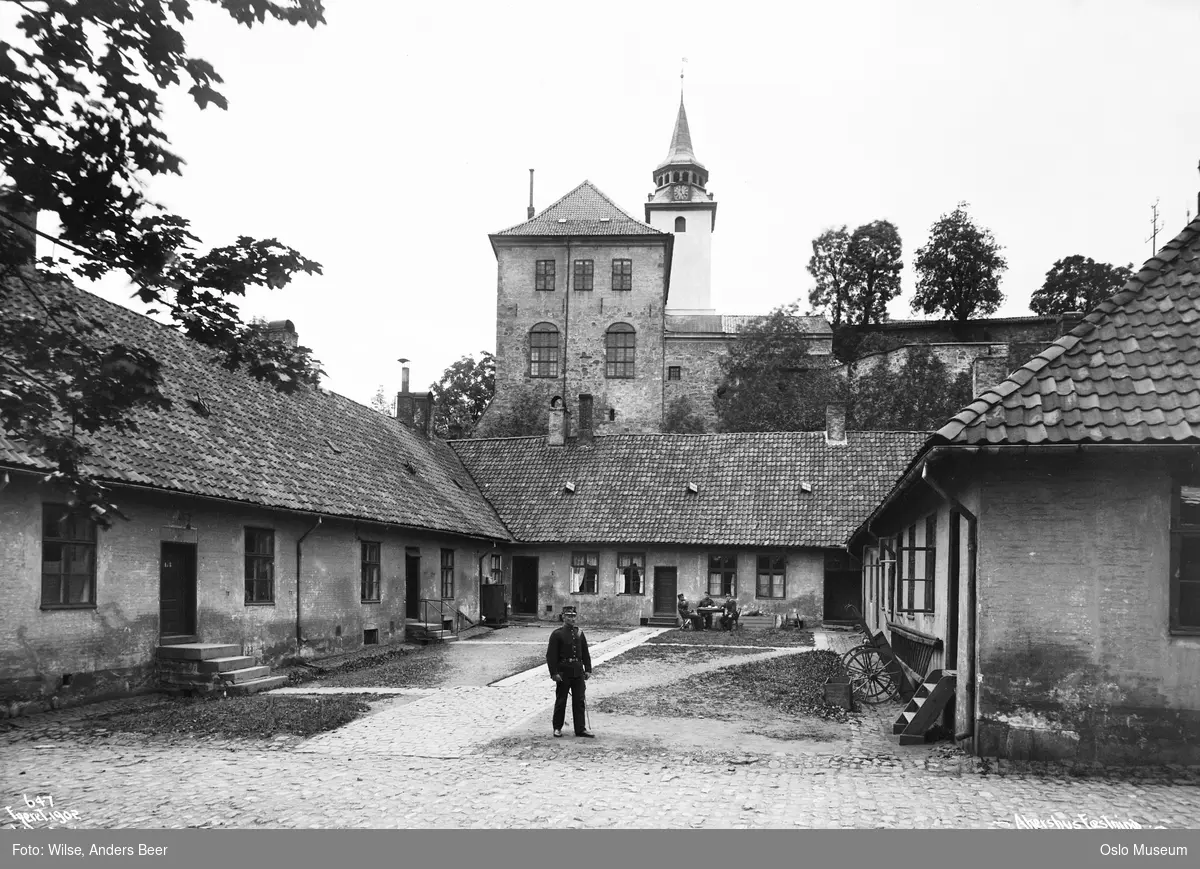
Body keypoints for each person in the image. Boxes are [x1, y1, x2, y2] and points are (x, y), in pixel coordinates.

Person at [545, 607, 594, 738]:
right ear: (563, 617)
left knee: (579, 701)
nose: (571, 619)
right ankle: (557, 728)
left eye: (573, 616)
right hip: (563, 672)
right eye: (568, 616)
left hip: (578, 671)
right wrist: (554, 673)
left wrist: (588, 669)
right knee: (561, 701)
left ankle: (580, 729)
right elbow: (551, 656)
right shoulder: (557, 634)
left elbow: (585, 653)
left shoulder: (579, 633)